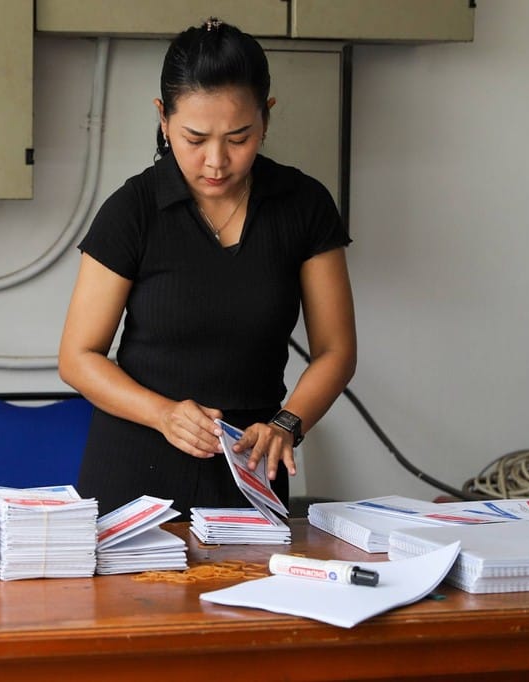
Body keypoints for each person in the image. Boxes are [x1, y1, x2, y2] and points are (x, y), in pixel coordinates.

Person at [58, 18, 356, 520]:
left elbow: (335, 350)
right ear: (163, 119)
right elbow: (78, 357)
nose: (216, 161)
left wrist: (287, 423)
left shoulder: (303, 205)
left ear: (267, 117)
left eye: (239, 138)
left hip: (252, 465)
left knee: (247, 598)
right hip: (136, 468)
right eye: (194, 138)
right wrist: (164, 415)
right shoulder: (133, 210)